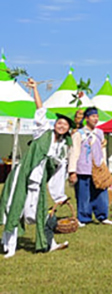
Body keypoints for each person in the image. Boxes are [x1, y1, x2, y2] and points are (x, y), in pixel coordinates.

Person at [0, 78, 72, 257]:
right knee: (14, 209)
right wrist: (35, 90)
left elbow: (58, 172)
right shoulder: (43, 132)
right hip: (22, 177)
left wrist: (59, 196)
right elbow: (40, 110)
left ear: (68, 129)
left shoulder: (62, 148)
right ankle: (8, 245)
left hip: (38, 183)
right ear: (55, 124)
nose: (61, 125)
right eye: (59, 122)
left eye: (65, 124)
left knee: (41, 213)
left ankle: (49, 243)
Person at [68, 107, 112, 226]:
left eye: (97, 116)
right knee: (84, 195)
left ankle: (102, 216)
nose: (96, 119)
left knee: (101, 193)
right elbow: (74, 152)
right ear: (87, 118)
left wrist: (104, 167)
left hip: (98, 168)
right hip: (83, 168)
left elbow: (102, 150)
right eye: (93, 116)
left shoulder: (99, 133)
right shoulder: (79, 134)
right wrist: (72, 171)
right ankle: (83, 217)